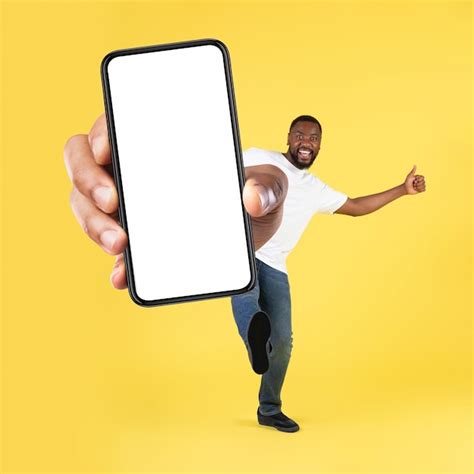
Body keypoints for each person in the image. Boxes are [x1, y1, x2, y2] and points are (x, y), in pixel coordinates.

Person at [63, 114, 426, 434]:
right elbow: (212, 174)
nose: (306, 142)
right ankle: (254, 337)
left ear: (319, 146)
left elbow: (358, 207)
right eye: (300, 135)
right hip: (241, 249)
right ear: (289, 138)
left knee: (283, 343)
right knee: (246, 295)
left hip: (277, 266)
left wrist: (403, 190)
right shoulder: (257, 158)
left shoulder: (316, 190)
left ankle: (269, 409)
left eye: (313, 138)